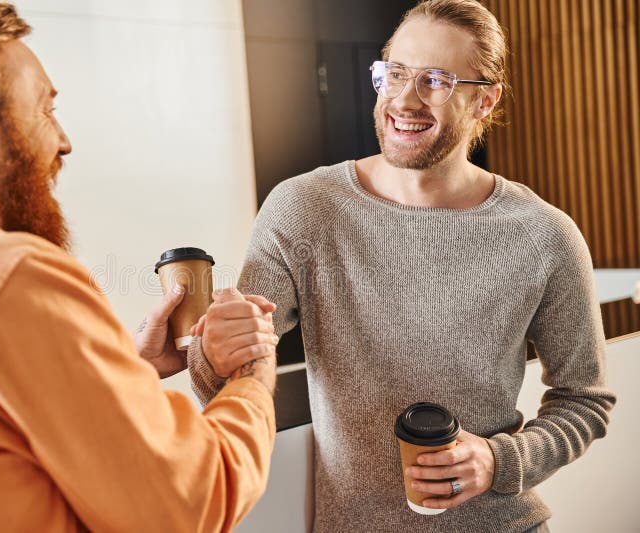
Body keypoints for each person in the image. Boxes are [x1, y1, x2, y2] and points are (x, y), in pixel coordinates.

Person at [0, 1, 279, 531]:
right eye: (45, 110)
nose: (64, 141)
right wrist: (251, 378)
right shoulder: (12, 278)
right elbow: (195, 499)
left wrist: (128, 372)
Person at [189, 0, 616, 531]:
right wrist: (210, 349)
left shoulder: (544, 234)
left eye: (435, 80)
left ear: (485, 100)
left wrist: (499, 461)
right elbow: (232, 375)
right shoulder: (303, 208)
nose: (404, 100)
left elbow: (585, 400)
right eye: (394, 74)